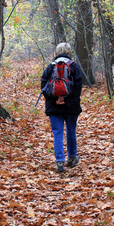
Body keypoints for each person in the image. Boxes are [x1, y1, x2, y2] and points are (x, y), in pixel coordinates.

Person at [40, 43, 83, 173]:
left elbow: (43, 86)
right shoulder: (73, 66)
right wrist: (67, 100)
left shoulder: (50, 67)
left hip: (54, 107)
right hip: (71, 107)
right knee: (71, 131)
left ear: (57, 52)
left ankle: (59, 161)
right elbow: (78, 87)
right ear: (69, 52)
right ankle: (72, 157)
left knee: (57, 133)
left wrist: (54, 100)